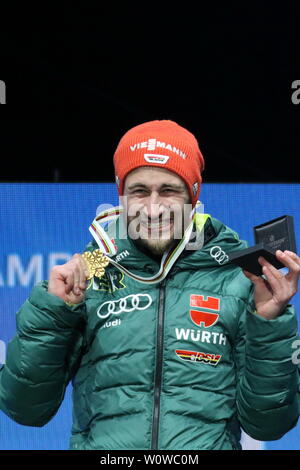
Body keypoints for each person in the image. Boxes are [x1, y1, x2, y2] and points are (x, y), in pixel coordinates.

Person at [0, 120, 299, 451]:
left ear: (194, 195)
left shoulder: (236, 276)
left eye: (169, 191)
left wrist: (268, 322)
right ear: (121, 196)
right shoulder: (92, 272)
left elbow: (269, 425)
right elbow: (25, 408)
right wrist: (53, 311)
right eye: (139, 191)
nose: (153, 208)